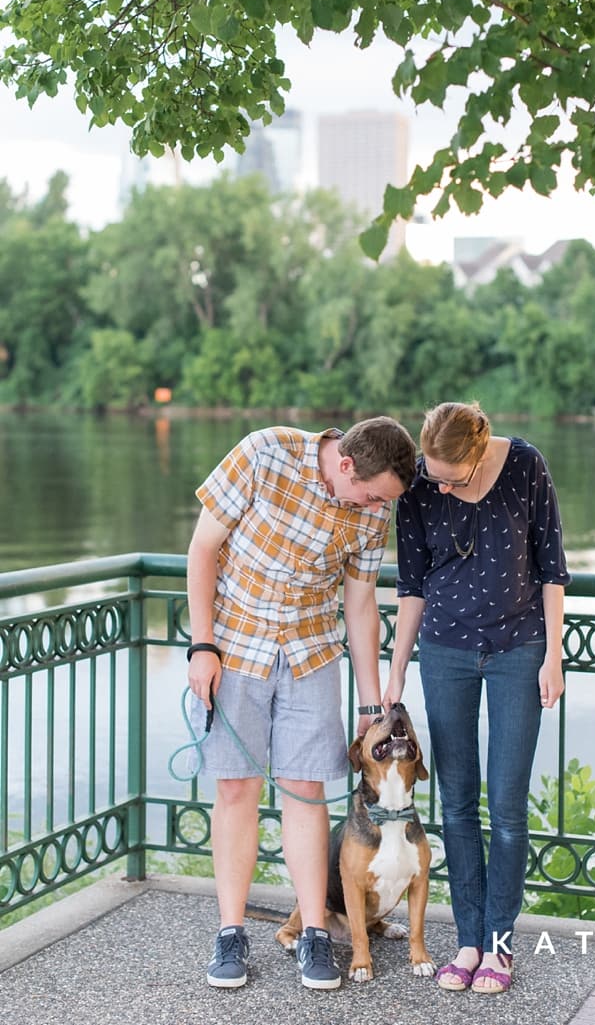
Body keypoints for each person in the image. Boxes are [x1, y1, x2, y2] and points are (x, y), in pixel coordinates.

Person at [185, 417, 417, 991]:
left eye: (381, 501)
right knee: (236, 787)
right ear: (345, 465)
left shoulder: (373, 505)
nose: (373, 507)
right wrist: (201, 645)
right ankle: (230, 934)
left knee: (306, 788)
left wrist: (371, 706)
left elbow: (361, 604)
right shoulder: (263, 453)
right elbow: (202, 549)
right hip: (235, 646)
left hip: (312, 655)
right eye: (370, 494)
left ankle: (315, 933)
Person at [384, 400, 569, 994]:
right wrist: (395, 674)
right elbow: (411, 585)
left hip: (520, 649)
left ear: (479, 449)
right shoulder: (417, 485)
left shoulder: (525, 467)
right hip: (446, 653)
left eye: (448, 476)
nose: (436, 484)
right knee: (457, 805)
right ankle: (467, 941)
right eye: (430, 473)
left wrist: (554, 655)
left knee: (508, 811)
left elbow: (551, 568)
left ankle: (500, 945)